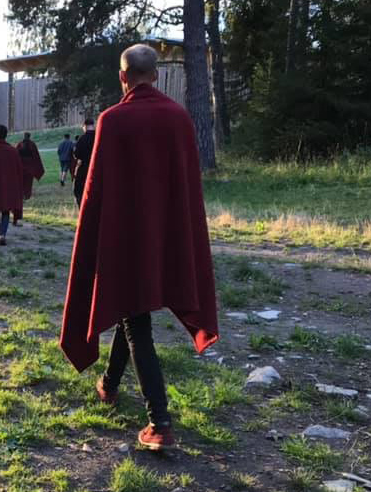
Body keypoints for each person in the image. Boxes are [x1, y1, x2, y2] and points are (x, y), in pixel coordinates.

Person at [59, 44, 219, 452]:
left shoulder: (112, 121)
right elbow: (187, 186)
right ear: (158, 75)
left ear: (122, 77)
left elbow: (94, 190)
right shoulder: (179, 118)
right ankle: (109, 385)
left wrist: (91, 239)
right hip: (165, 237)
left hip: (126, 240)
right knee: (134, 312)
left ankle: (159, 421)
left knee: (135, 322)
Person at [72, 118, 96, 207]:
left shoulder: (82, 139)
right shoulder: (99, 137)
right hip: (98, 168)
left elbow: (77, 154)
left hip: (85, 168)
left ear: (84, 126)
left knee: (79, 191)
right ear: (93, 125)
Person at [16, 132, 45, 201]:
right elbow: (36, 156)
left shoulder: (19, 144)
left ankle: (22, 194)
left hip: (21, 166)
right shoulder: (32, 144)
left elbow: (16, 154)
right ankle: (27, 195)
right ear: (29, 136)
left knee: (21, 181)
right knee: (28, 182)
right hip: (30, 166)